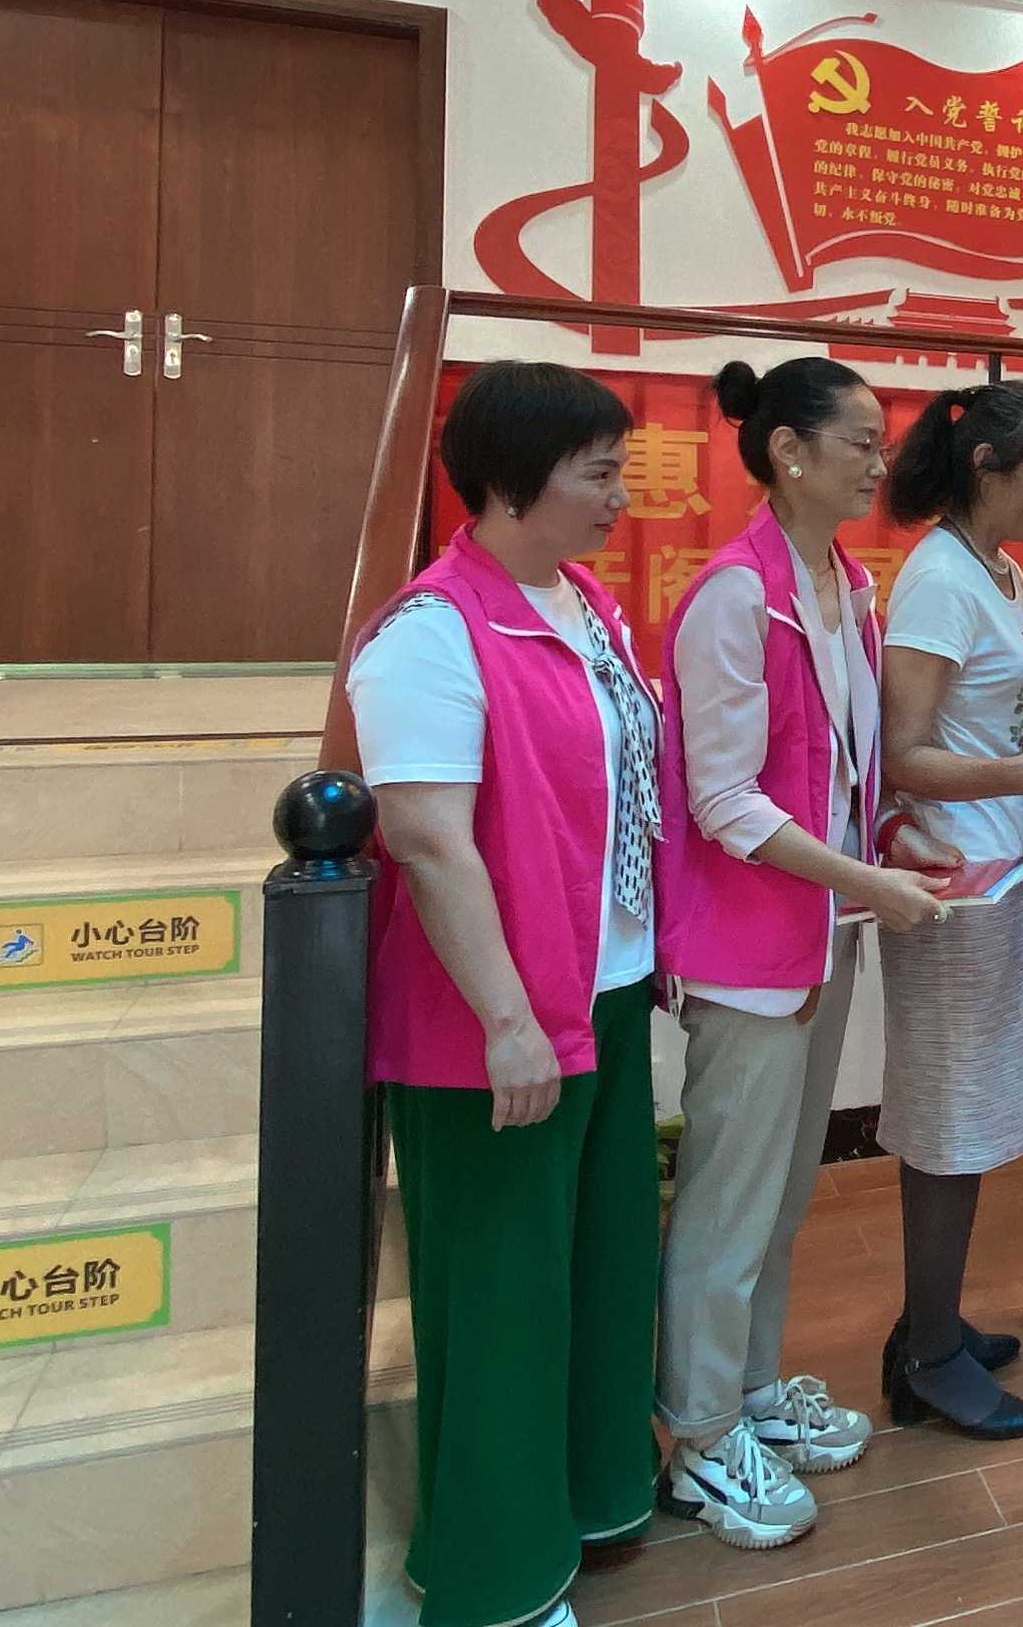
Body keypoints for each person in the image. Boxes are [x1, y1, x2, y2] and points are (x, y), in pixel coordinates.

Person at [349, 360, 663, 1627]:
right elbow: (429, 842)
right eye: (600, 473)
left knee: (600, 1268)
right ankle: (492, 1581)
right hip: (494, 1026)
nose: (623, 497)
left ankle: (590, 1499)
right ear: (511, 483)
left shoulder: (584, 604)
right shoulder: (429, 632)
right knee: (499, 1306)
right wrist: (508, 1020)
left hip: (606, 994)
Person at [653, 357, 955, 1544]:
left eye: (883, 443)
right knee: (728, 1199)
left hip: (824, 930)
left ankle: (747, 1390)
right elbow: (723, 799)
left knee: (780, 1195)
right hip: (750, 948)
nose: (882, 464)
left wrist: (892, 837)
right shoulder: (735, 597)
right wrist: (867, 880)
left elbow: (837, 771)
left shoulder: (851, 586)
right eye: (862, 443)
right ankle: (696, 1437)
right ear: (789, 451)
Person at [877, 379, 1023, 1438]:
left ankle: (931, 1324)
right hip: (955, 885)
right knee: (951, 1122)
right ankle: (927, 1354)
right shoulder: (938, 580)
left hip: (998, 871)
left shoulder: (998, 570)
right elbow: (906, 754)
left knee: (967, 1114)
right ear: (986, 466)